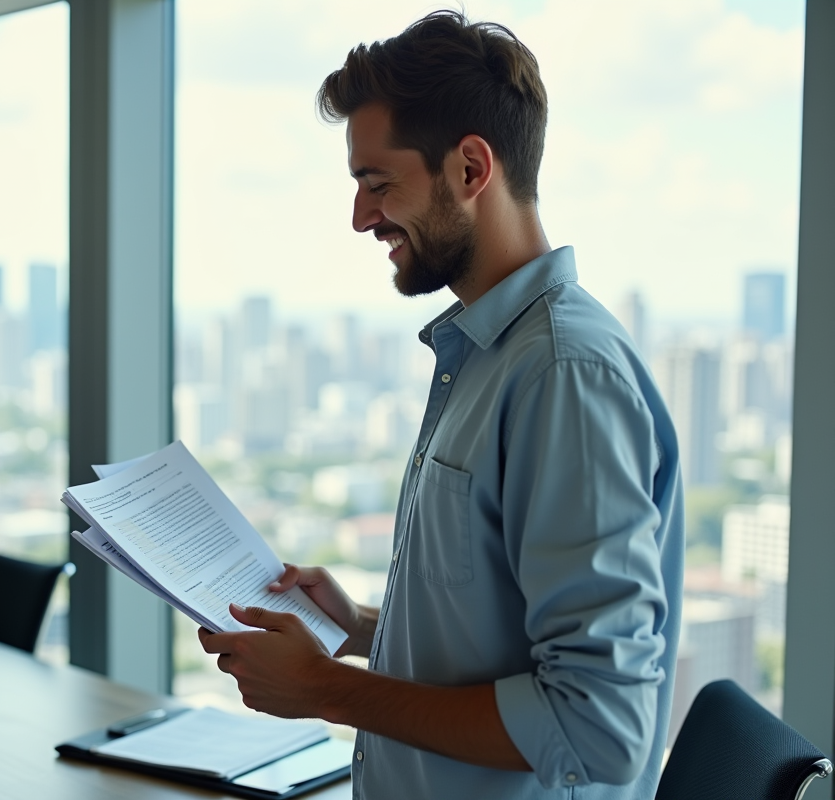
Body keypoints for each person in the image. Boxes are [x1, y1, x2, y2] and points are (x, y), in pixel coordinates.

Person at [198, 10, 684, 799]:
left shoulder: (563, 375)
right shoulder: (487, 356)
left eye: (378, 184)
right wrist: (356, 626)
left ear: (469, 169)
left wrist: (327, 691)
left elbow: (599, 726)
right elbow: (502, 630)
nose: (361, 219)